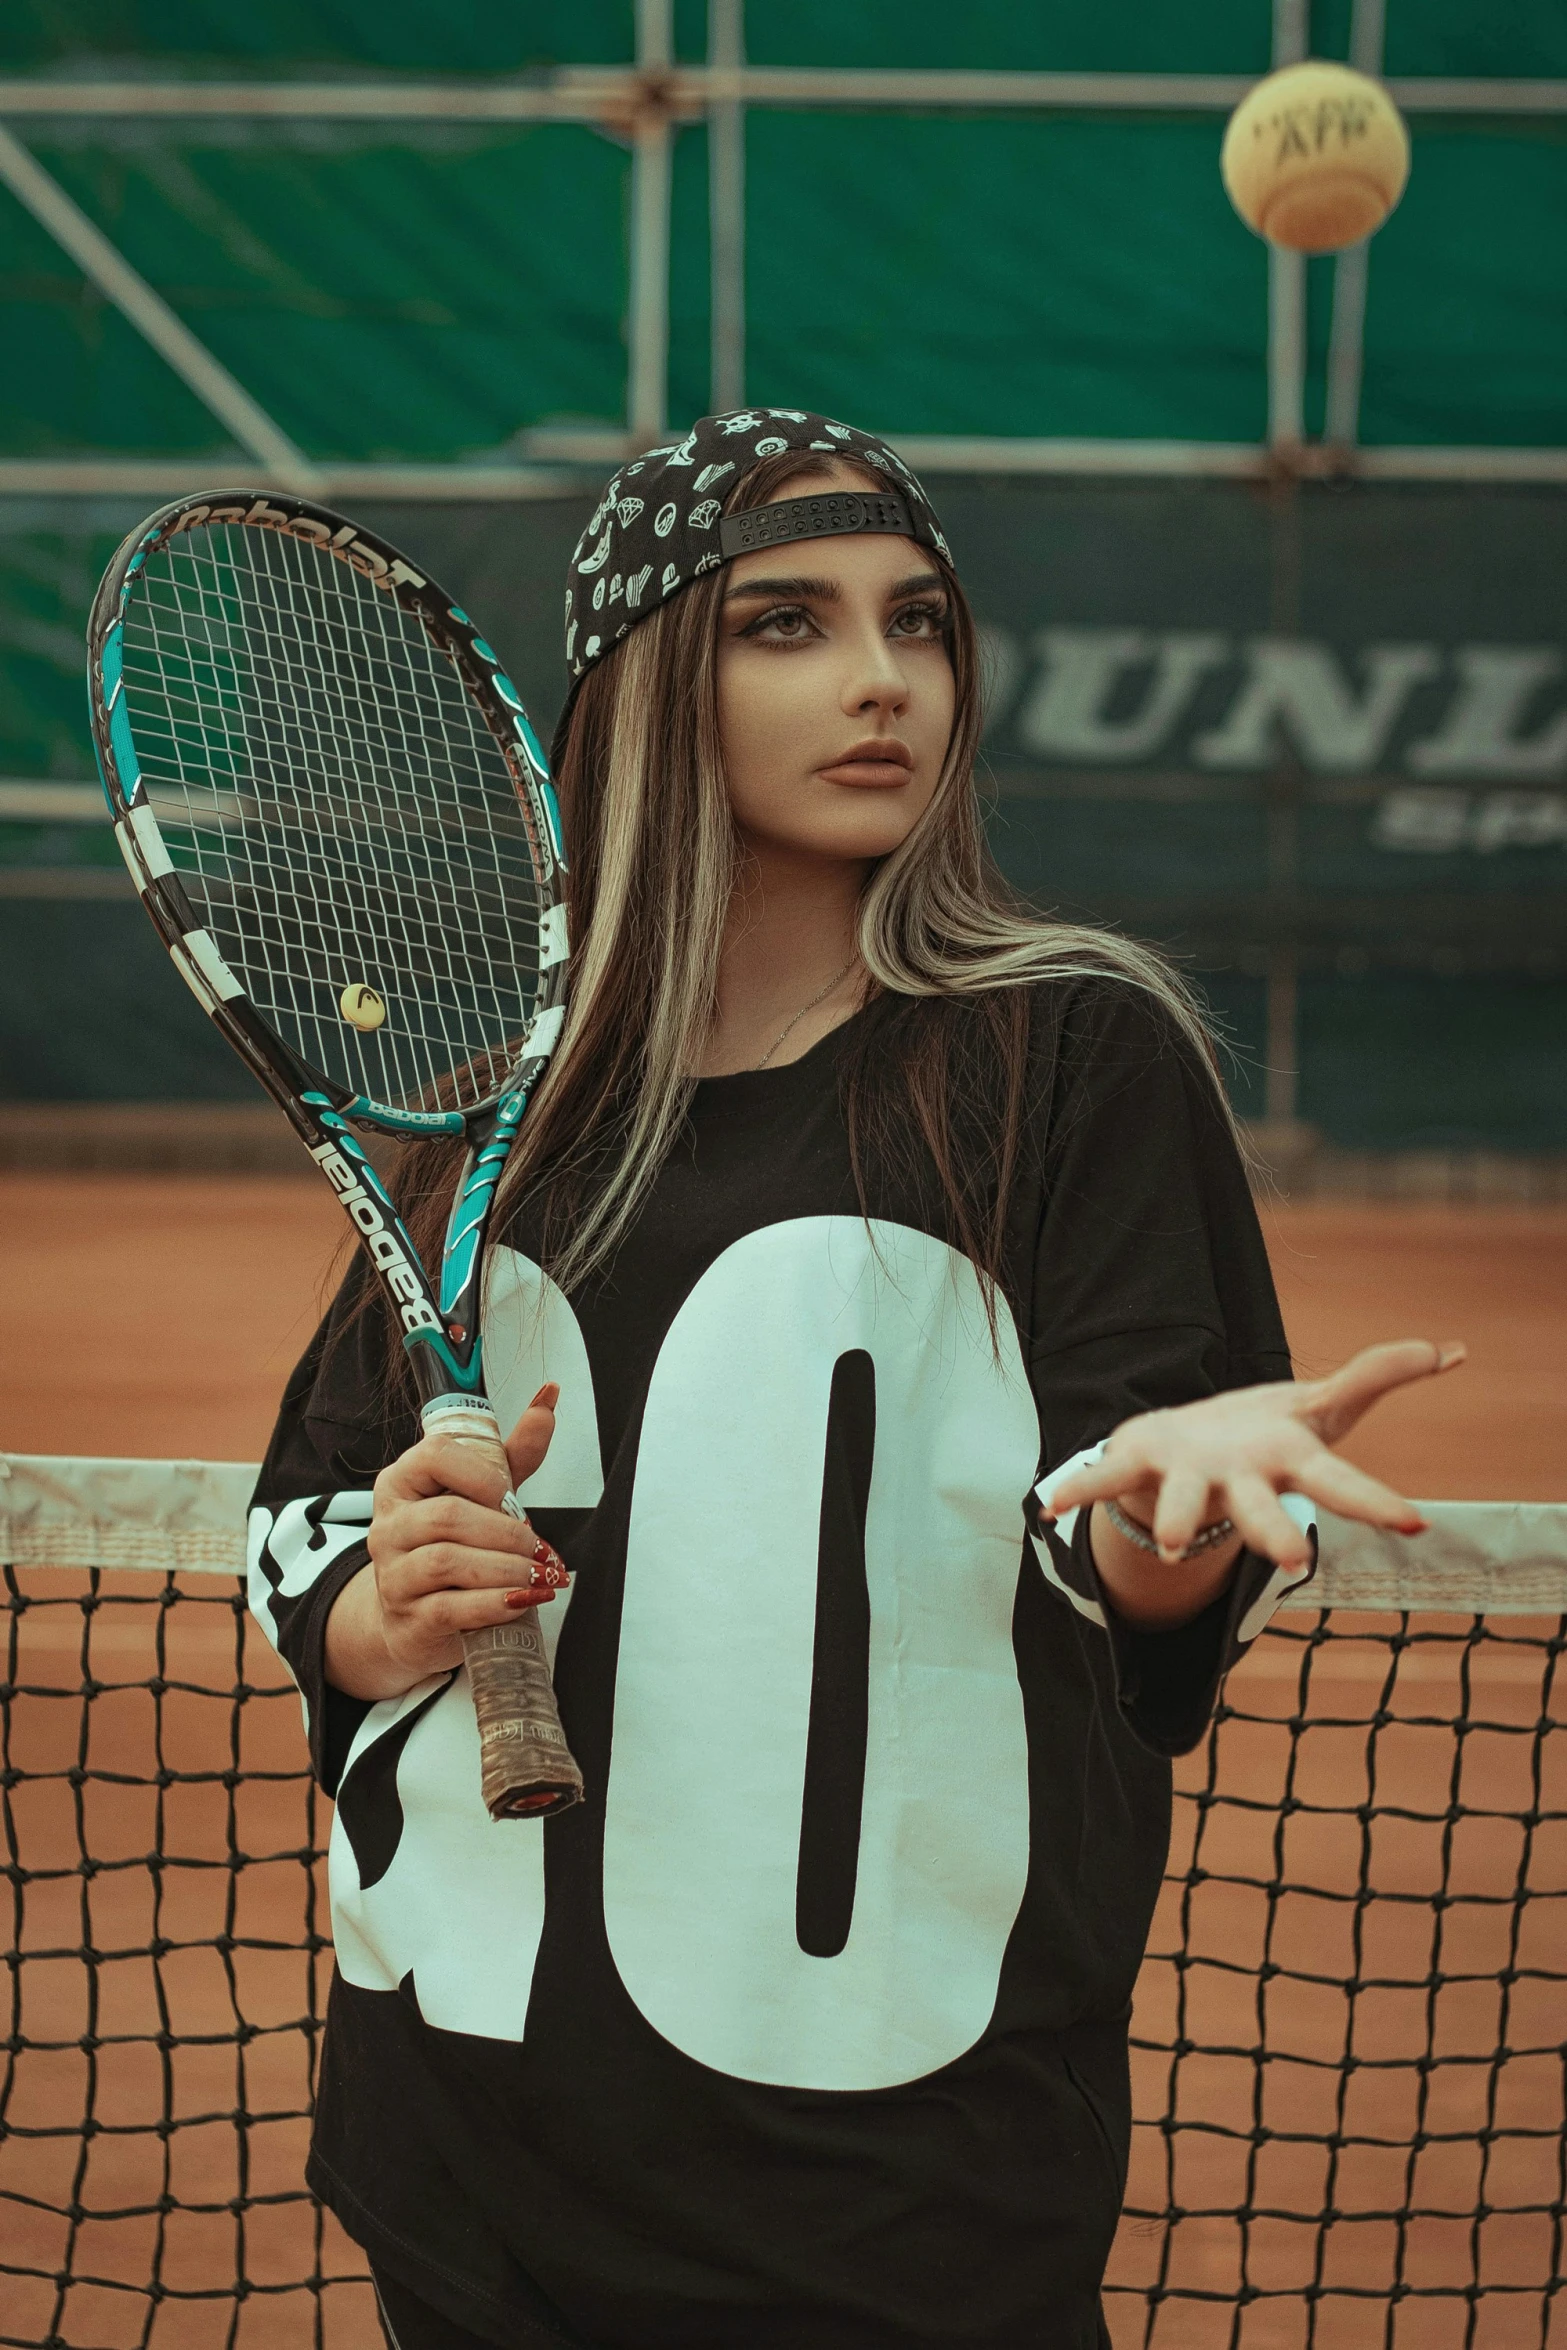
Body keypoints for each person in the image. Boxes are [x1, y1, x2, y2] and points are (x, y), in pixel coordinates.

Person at [249, 410, 1462, 2350]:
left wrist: (1167, 1496)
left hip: (895, 2189)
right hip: (468, 2149)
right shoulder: (491, 1126)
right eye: (787, 623)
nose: (884, 678)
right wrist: (373, 1602)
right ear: (650, 685)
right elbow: (297, 1513)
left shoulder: (1068, 1056)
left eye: (921, 622)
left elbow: (1139, 1585)